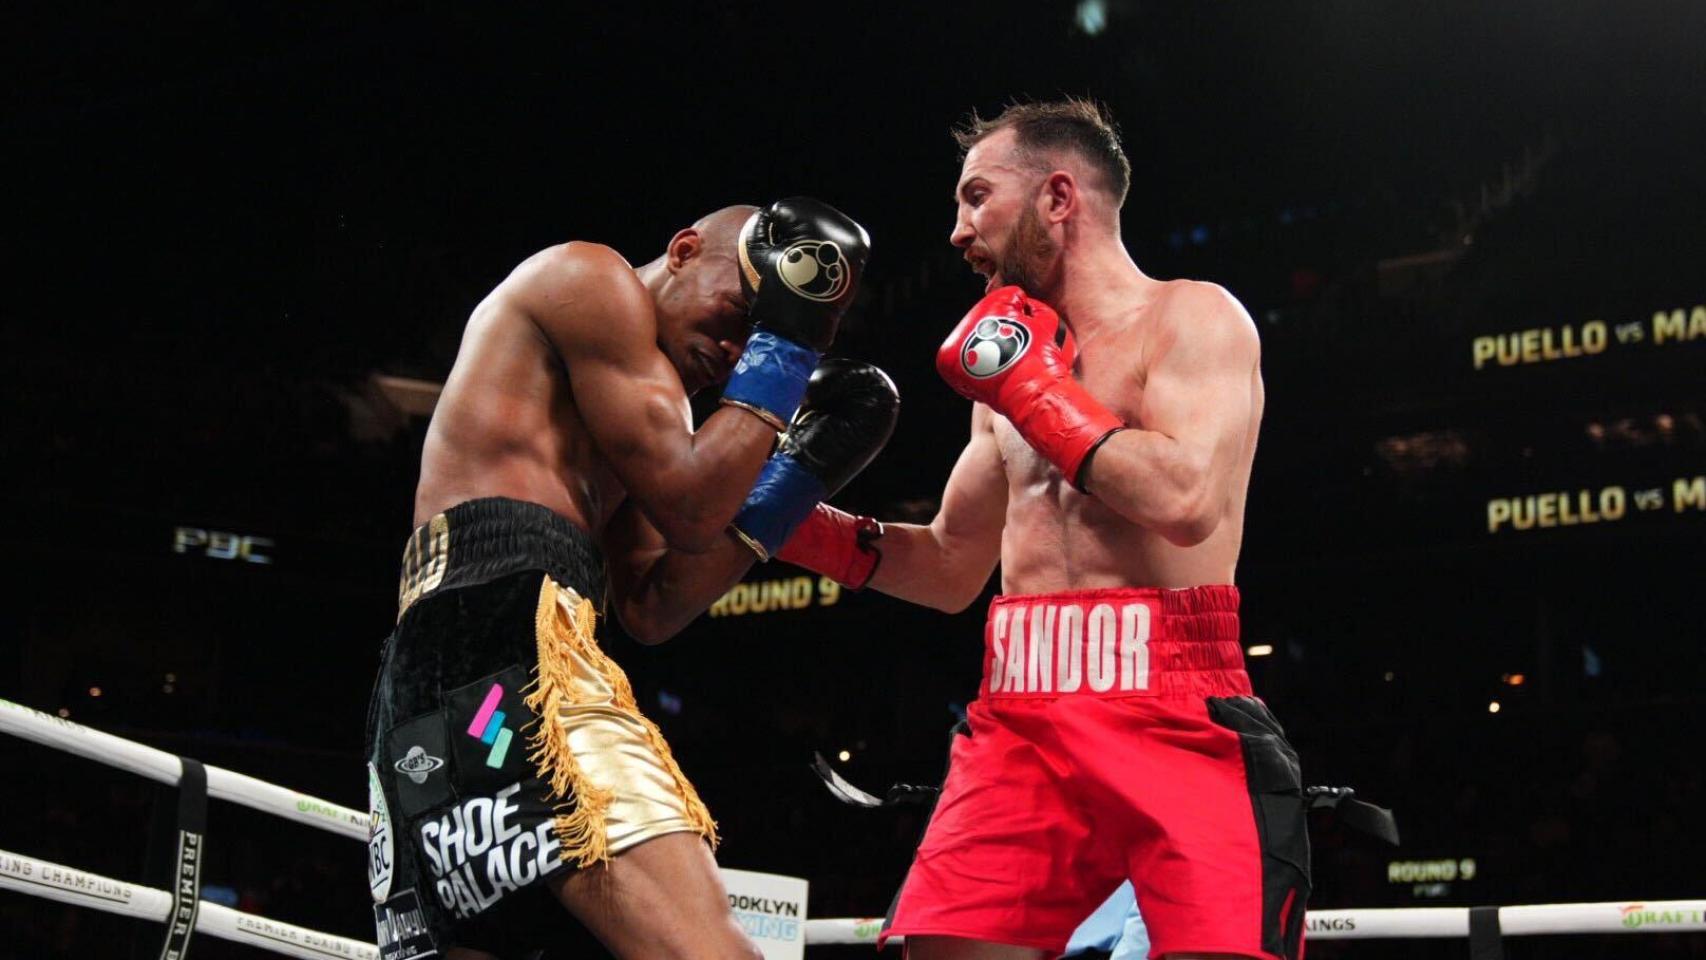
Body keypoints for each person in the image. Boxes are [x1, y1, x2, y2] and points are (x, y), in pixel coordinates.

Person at [777, 100, 1308, 960]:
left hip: (1176, 703)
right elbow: (951, 565)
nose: (957, 230)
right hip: (1019, 717)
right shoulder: (1009, 364)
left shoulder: (1193, 318)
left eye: (976, 196)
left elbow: (1184, 501)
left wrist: (1032, 389)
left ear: (1059, 197)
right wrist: (782, 519)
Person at [366, 197, 897, 960]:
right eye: (741, 310)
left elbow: (653, 602)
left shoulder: (645, 417)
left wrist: (797, 477)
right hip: (511, 637)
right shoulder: (592, 278)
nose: (739, 345)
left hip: (438, 683)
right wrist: (792, 343)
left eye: (760, 334)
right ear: (683, 250)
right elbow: (688, 506)